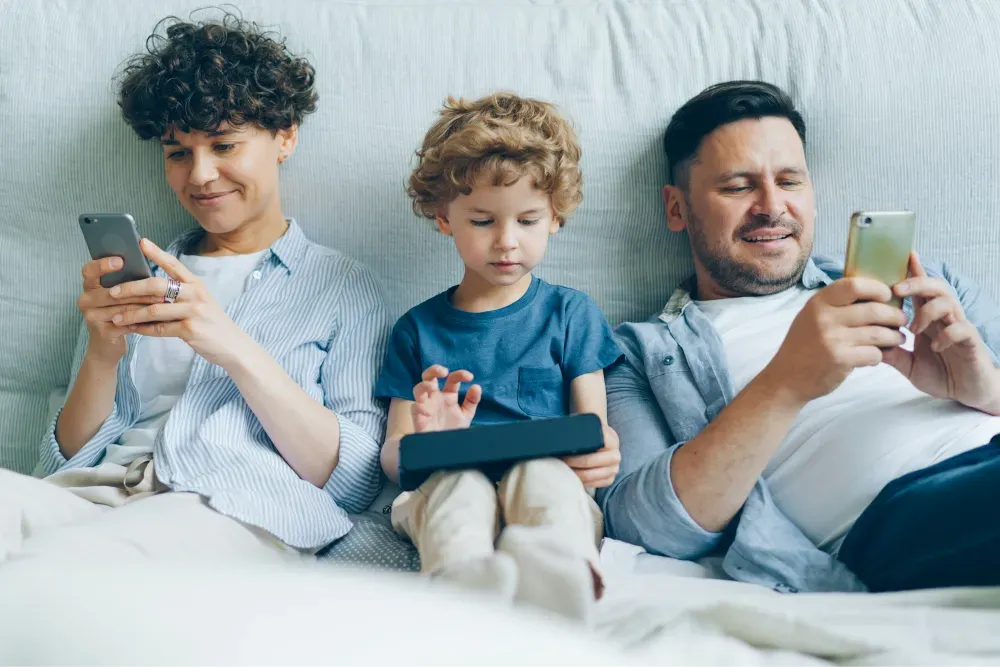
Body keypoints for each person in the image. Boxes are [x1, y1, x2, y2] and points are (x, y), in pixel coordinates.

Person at [1, 13, 390, 563]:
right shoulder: (143, 276)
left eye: (224, 145)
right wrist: (102, 352)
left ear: (285, 137)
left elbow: (353, 482)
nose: (200, 175)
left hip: (229, 505)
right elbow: (61, 462)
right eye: (178, 152)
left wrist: (230, 345)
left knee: (87, 560)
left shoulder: (341, 287)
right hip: (98, 494)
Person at [598, 80, 1000, 593]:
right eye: (738, 186)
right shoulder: (636, 356)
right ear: (676, 209)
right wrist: (788, 381)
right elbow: (644, 526)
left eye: (789, 181)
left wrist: (987, 388)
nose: (772, 206)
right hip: (907, 513)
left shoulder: (931, 282)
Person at [375, 93, 623, 621]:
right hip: (442, 483)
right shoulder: (416, 330)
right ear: (445, 218)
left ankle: (562, 583)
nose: (506, 243)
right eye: (483, 221)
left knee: (542, 475)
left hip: (549, 482)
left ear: (555, 217)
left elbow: (593, 431)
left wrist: (601, 454)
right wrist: (426, 442)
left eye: (528, 221)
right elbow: (394, 459)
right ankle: (463, 596)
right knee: (459, 488)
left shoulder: (571, 314)